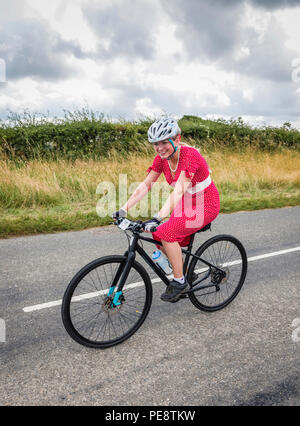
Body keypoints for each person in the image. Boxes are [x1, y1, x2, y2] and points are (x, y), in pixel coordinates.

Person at [113, 117, 220, 302]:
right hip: (185, 203)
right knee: (157, 234)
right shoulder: (161, 159)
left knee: (166, 232)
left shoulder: (190, 156)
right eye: (156, 143)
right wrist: (123, 209)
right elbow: (146, 185)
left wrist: (158, 217)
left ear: (177, 139)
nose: (160, 147)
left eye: (164, 142)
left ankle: (180, 281)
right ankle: (186, 272)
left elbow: (179, 190)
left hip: (206, 204)